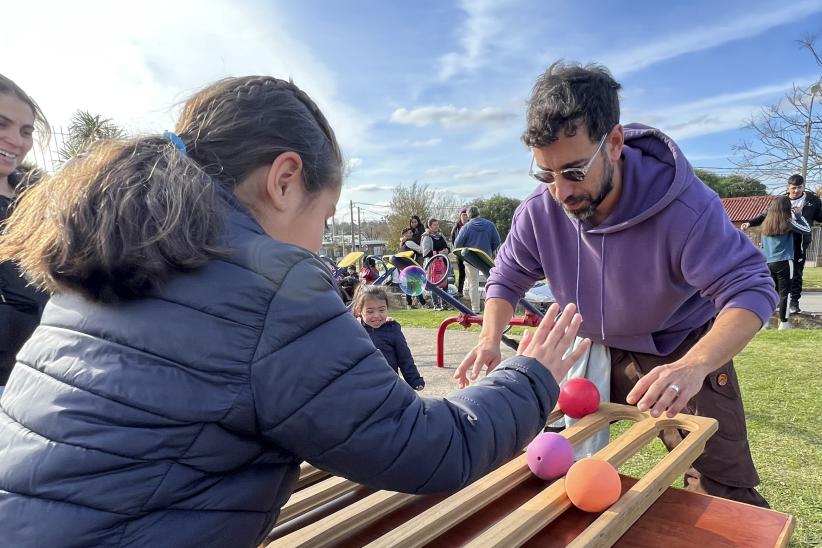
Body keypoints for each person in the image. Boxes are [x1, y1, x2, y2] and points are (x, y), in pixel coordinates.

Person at [0, 75, 591, 547]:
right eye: (326, 218)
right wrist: (531, 374)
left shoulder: (111, 254)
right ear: (285, 180)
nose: (317, 243)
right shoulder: (267, 286)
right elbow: (427, 448)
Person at [456, 62, 777, 508]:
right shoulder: (538, 210)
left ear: (614, 143)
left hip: (677, 347)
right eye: (545, 174)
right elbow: (507, 276)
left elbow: (750, 289)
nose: (560, 194)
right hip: (587, 348)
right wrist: (491, 338)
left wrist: (696, 365)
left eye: (573, 171)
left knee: (720, 484)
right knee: (538, 454)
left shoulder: (685, 207)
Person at [0, 74, 50, 386]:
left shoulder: (44, 204)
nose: (16, 141)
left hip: (39, 378)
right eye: (1, 124)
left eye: (25, 131)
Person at [743, 174, 822, 313]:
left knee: (796, 272)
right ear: (788, 187)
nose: (796, 190)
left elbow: (819, 217)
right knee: (777, 275)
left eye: (799, 187)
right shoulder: (780, 201)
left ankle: (793, 303)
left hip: (800, 241)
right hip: (783, 243)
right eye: (793, 188)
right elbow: (764, 215)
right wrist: (749, 223)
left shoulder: (812, 200)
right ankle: (776, 303)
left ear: (803, 186)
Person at [352, 284, 425, 390]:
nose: (376, 315)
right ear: (359, 310)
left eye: (382, 310)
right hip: (363, 386)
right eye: (370, 311)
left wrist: (414, 379)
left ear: (387, 308)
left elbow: (405, 357)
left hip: (389, 384)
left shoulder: (392, 329)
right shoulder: (355, 330)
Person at [757, 196, 811, 329]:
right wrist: (798, 215)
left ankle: (766, 322)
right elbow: (807, 230)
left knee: (770, 292)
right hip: (784, 261)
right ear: (787, 208)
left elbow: (762, 245)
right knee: (785, 293)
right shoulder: (788, 222)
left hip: (767, 262)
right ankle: (784, 322)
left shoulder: (765, 224)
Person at [453, 205, 502, 314]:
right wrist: (489, 249)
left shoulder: (466, 227)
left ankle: (475, 309)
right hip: (486, 258)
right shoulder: (490, 225)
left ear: (469, 215)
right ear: (479, 213)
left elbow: (457, 244)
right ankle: (490, 307)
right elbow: (497, 242)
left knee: (473, 284)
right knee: (490, 282)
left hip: (471, 259)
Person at [421, 217, 451, 311]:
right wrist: (438, 253)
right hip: (432, 264)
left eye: (437, 224)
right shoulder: (426, 237)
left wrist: (447, 250)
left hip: (443, 262)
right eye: (434, 225)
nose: (437, 226)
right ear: (429, 226)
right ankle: (436, 304)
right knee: (434, 283)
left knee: (445, 283)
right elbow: (426, 253)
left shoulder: (440, 235)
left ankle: (444, 304)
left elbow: (447, 246)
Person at [399, 227, 428, 309]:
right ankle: (422, 303)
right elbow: (421, 250)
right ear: (405, 234)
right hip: (411, 266)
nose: (412, 234)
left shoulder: (402, 244)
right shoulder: (409, 243)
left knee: (410, 285)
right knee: (417, 284)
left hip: (405, 266)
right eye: (410, 233)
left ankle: (409, 304)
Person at [450, 207, 470, 297]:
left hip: (470, 252)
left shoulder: (471, 225)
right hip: (459, 252)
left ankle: (470, 291)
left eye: (466, 215)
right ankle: (460, 291)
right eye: (463, 215)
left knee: (470, 272)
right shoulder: (456, 227)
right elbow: (453, 239)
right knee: (461, 272)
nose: (465, 217)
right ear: (460, 216)